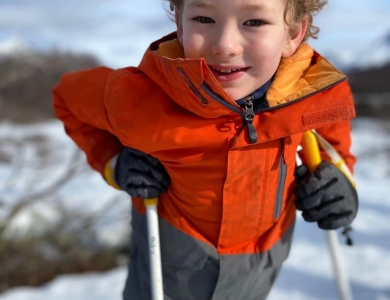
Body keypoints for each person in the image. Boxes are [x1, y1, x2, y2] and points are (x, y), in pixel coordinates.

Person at [53, 0, 358, 299]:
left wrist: (341, 180)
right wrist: (114, 162)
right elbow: (67, 96)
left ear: (293, 34)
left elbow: (332, 136)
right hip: (166, 268)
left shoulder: (311, 92)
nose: (225, 45)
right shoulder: (139, 99)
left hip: (261, 267)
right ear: (180, 25)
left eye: (254, 22)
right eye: (204, 19)